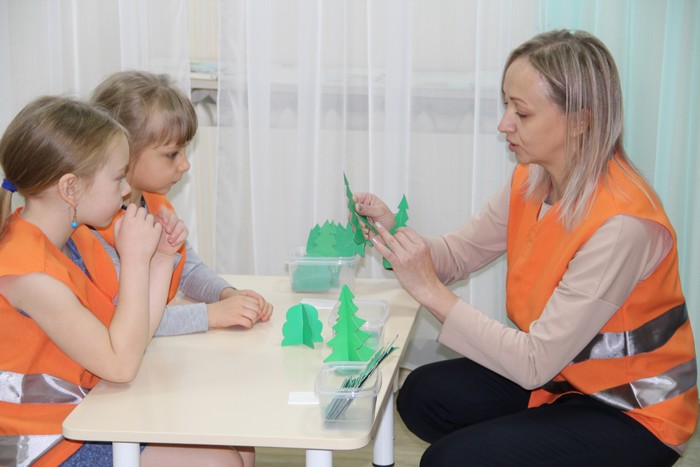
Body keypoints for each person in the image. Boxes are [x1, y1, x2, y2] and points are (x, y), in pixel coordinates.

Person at [354, 29, 697, 466]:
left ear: (580, 121)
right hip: (561, 379)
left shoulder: (622, 225)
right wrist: (395, 235)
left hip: (632, 412)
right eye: (506, 105)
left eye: (522, 112)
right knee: (422, 395)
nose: (504, 124)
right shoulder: (533, 179)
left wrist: (430, 292)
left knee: (449, 460)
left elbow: (533, 362)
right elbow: (458, 254)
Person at [0, 96, 254, 466]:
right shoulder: (30, 274)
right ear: (70, 189)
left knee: (239, 445)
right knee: (219, 460)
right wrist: (135, 260)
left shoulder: (76, 240)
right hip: (49, 442)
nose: (125, 190)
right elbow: (120, 366)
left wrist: (162, 259)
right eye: (118, 177)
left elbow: (133, 338)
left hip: (89, 412)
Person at [91, 70, 272, 336]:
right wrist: (211, 315)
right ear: (124, 151)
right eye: (172, 154)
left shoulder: (155, 205)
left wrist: (227, 294)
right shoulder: (95, 226)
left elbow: (187, 268)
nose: (185, 164)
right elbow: (131, 320)